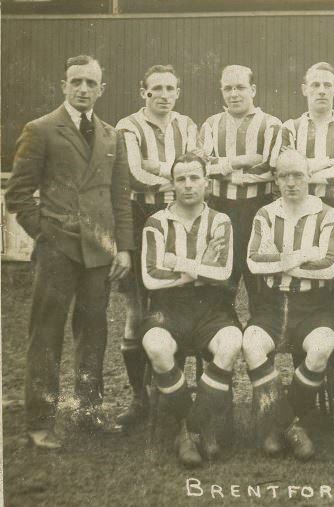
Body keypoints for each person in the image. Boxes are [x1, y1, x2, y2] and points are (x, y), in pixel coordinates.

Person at [5, 55, 134, 448]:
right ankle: (39, 421)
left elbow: (120, 200)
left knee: (93, 334)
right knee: (46, 334)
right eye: (76, 81)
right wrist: (46, 235)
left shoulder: (113, 136)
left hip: (99, 254)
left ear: (101, 89)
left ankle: (88, 413)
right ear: (63, 85)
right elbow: (18, 195)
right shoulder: (40, 129)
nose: (83, 89)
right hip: (58, 252)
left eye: (90, 83)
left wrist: (124, 249)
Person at [139, 152, 242, 468]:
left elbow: (222, 272)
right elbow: (150, 278)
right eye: (181, 179)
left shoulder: (220, 221)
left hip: (212, 306)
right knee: (156, 346)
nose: (187, 185)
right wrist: (199, 267)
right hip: (167, 308)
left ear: (207, 183)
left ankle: (200, 422)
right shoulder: (157, 222)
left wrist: (175, 263)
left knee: (231, 343)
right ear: (172, 183)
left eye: (194, 178)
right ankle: (185, 431)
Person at [242, 149, 334, 462]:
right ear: (275, 179)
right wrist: (301, 256)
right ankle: (293, 427)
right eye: (284, 176)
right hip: (272, 306)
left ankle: (278, 424)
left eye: (298, 174)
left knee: (321, 347)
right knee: (251, 345)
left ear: (309, 176)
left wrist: (280, 261)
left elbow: (327, 267)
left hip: (314, 307)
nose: (292, 182)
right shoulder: (265, 214)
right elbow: (255, 262)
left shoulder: (327, 214)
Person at [115, 64, 198, 428]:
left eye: (171, 88)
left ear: (178, 92)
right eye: (157, 88)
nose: (164, 95)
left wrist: (160, 168)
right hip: (137, 217)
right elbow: (133, 173)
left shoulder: (188, 125)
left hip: (178, 219)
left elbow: (196, 168)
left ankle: (169, 392)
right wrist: (174, 174)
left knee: (172, 302)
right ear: (143, 92)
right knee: (136, 311)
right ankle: (139, 398)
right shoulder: (127, 126)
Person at [198, 64, 282, 312]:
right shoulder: (212, 124)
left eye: (240, 88)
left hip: (259, 208)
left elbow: (269, 167)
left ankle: (262, 346)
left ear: (253, 89)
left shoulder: (271, 124)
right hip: (220, 208)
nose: (234, 94)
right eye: (228, 88)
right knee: (221, 281)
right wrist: (242, 161)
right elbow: (202, 166)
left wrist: (222, 168)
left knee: (261, 284)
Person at [279, 61, 334, 222]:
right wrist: (331, 162)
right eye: (315, 85)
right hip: (298, 208)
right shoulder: (289, 128)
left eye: (327, 85)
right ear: (305, 89)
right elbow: (283, 168)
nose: (322, 91)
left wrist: (301, 171)